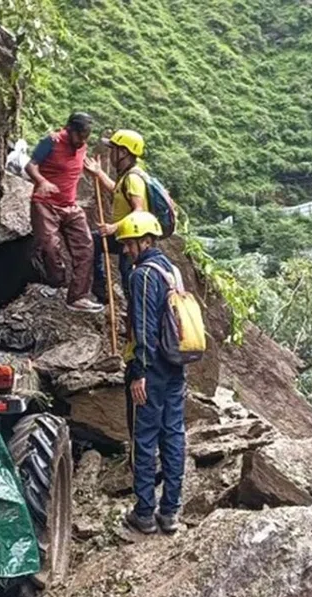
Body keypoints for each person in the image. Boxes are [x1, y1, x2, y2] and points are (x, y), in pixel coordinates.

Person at [114, 211, 186, 535]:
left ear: (145, 241)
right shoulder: (172, 270)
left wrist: (139, 371)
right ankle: (170, 512)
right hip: (175, 363)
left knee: (144, 437)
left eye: (130, 243)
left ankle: (144, 512)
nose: (126, 250)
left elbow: (143, 327)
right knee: (173, 434)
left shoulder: (142, 275)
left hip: (151, 367)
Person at [26, 112, 103, 313]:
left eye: (86, 137)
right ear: (70, 130)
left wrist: (94, 171)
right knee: (50, 246)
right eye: (80, 136)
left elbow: (75, 166)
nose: (83, 141)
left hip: (70, 205)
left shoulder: (82, 147)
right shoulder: (51, 142)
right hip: (45, 204)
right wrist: (42, 181)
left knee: (86, 247)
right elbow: (30, 165)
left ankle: (78, 297)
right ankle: (58, 284)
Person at [83, 129, 147, 300]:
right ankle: (101, 290)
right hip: (123, 233)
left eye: (114, 149)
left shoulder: (133, 179)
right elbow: (116, 190)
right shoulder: (125, 176)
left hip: (133, 237)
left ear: (123, 152)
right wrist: (99, 173)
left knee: (127, 275)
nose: (111, 153)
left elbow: (139, 210)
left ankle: (135, 310)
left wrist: (114, 227)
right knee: (94, 241)